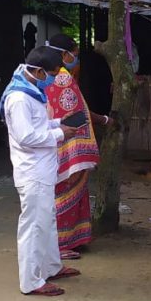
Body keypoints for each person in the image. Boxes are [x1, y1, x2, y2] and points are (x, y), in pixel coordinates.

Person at [0, 46, 83, 297]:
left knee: (47, 222)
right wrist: (60, 133)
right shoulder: (19, 99)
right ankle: (31, 281)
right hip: (32, 172)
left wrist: (59, 122)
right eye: (51, 73)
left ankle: (51, 267)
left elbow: (38, 124)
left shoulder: (31, 90)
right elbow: (26, 137)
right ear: (37, 71)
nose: (53, 78)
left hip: (42, 170)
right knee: (34, 226)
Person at [44, 33, 111, 260]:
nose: (76, 58)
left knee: (69, 192)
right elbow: (76, 113)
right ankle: (61, 243)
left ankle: (71, 239)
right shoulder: (62, 78)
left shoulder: (51, 75)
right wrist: (104, 120)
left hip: (55, 142)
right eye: (75, 54)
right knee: (65, 191)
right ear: (64, 55)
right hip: (68, 144)